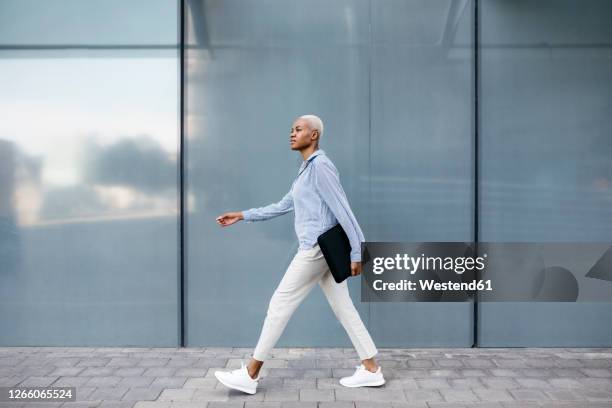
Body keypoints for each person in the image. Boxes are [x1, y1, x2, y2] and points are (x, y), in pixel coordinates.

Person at [214, 114, 384, 394]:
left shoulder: (321, 167)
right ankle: (371, 369)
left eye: (298, 129)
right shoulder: (305, 170)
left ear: (314, 135)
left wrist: (357, 250)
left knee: (279, 304)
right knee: (344, 308)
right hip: (323, 250)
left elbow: (343, 209)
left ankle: (251, 373)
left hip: (316, 249)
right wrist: (243, 215)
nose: (292, 134)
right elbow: (282, 206)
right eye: (291, 129)